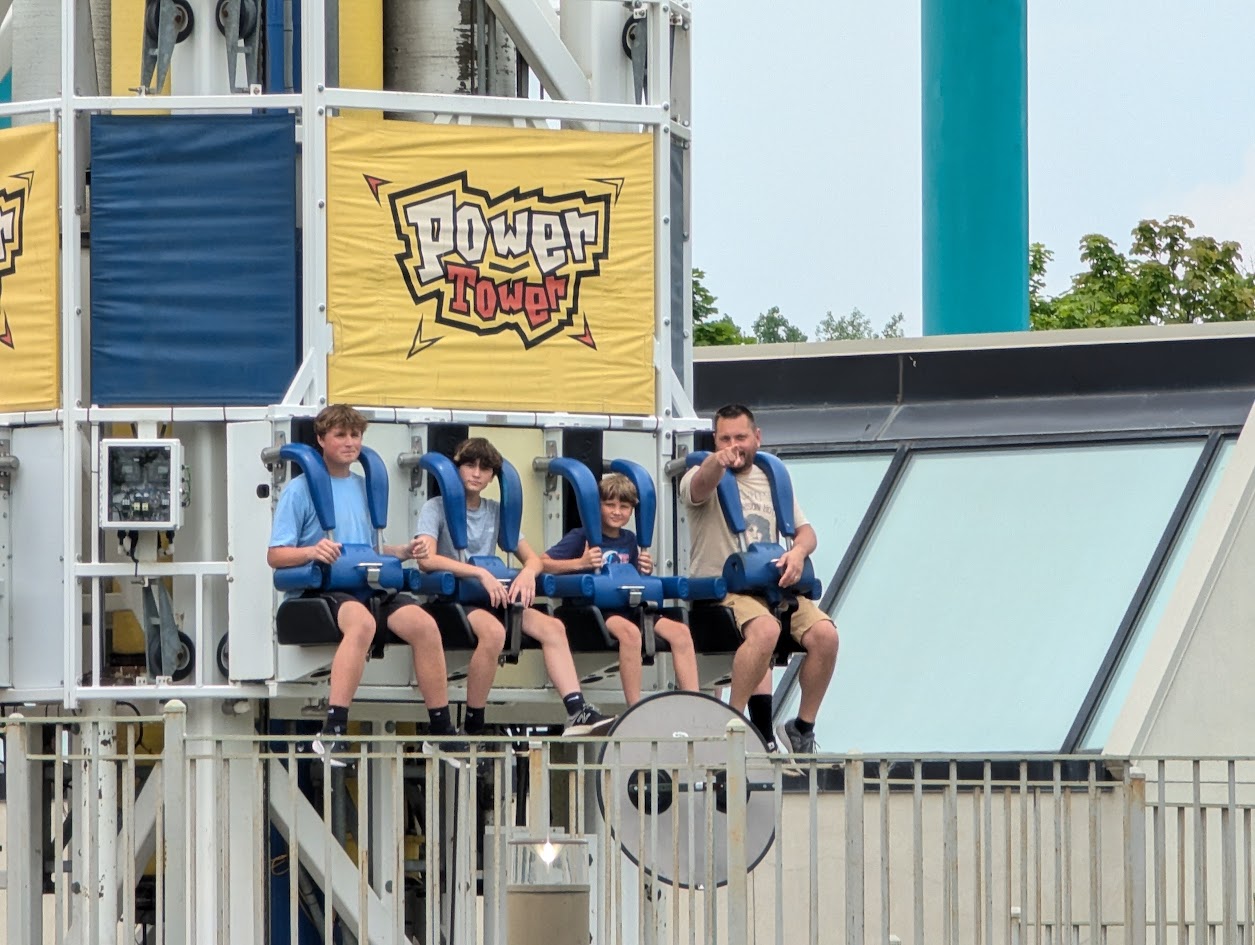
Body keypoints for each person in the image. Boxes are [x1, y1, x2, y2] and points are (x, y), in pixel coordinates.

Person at [268, 404, 459, 766]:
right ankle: (333, 730)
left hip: (365, 583)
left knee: (424, 625)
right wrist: (312, 550)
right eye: (340, 435)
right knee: (362, 623)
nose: (350, 442)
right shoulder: (300, 490)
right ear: (321, 440)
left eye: (355, 435)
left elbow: (367, 549)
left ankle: (441, 731)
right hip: (322, 588)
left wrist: (400, 551)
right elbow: (276, 555)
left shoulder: (364, 487)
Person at [414, 437, 615, 736]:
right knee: (494, 632)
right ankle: (474, 724)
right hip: (454, 599)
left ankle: (577, 710)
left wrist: (526, 575)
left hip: (494, 597)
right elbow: (426, 560)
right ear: (457, 469)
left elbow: (533, 559)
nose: (476, 473)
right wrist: (479, 573)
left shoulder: (496, 511)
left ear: (493, 476)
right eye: (469, 465)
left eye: (484, 468)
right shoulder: (436, 507)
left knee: (554, 628)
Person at [679, 404, 839, 754]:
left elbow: (806, 532)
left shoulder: (772, 478)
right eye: (725, 438)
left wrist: (797, 553)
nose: (734, 445)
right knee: (766, 629)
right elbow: (700, 486)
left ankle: (802, 727)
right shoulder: (702, 474)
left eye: (740, 437)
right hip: (725, 590)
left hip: (774, 587)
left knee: (826, 634)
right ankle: (732, 724)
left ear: (757, 437)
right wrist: (716, 461)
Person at [541, 472, 700, 705]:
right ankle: (633, 706)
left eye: (624, 506)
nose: (617, 511)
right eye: (610, 504)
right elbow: (542, 562)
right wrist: (580, 563)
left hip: (632, 607)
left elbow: (633, 577)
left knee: (681, 633)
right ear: (598, 506)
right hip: (597, 613)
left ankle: (694, 703)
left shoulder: (629, 540)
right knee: (631, 633)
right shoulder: (581, 537)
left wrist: (644, 569)